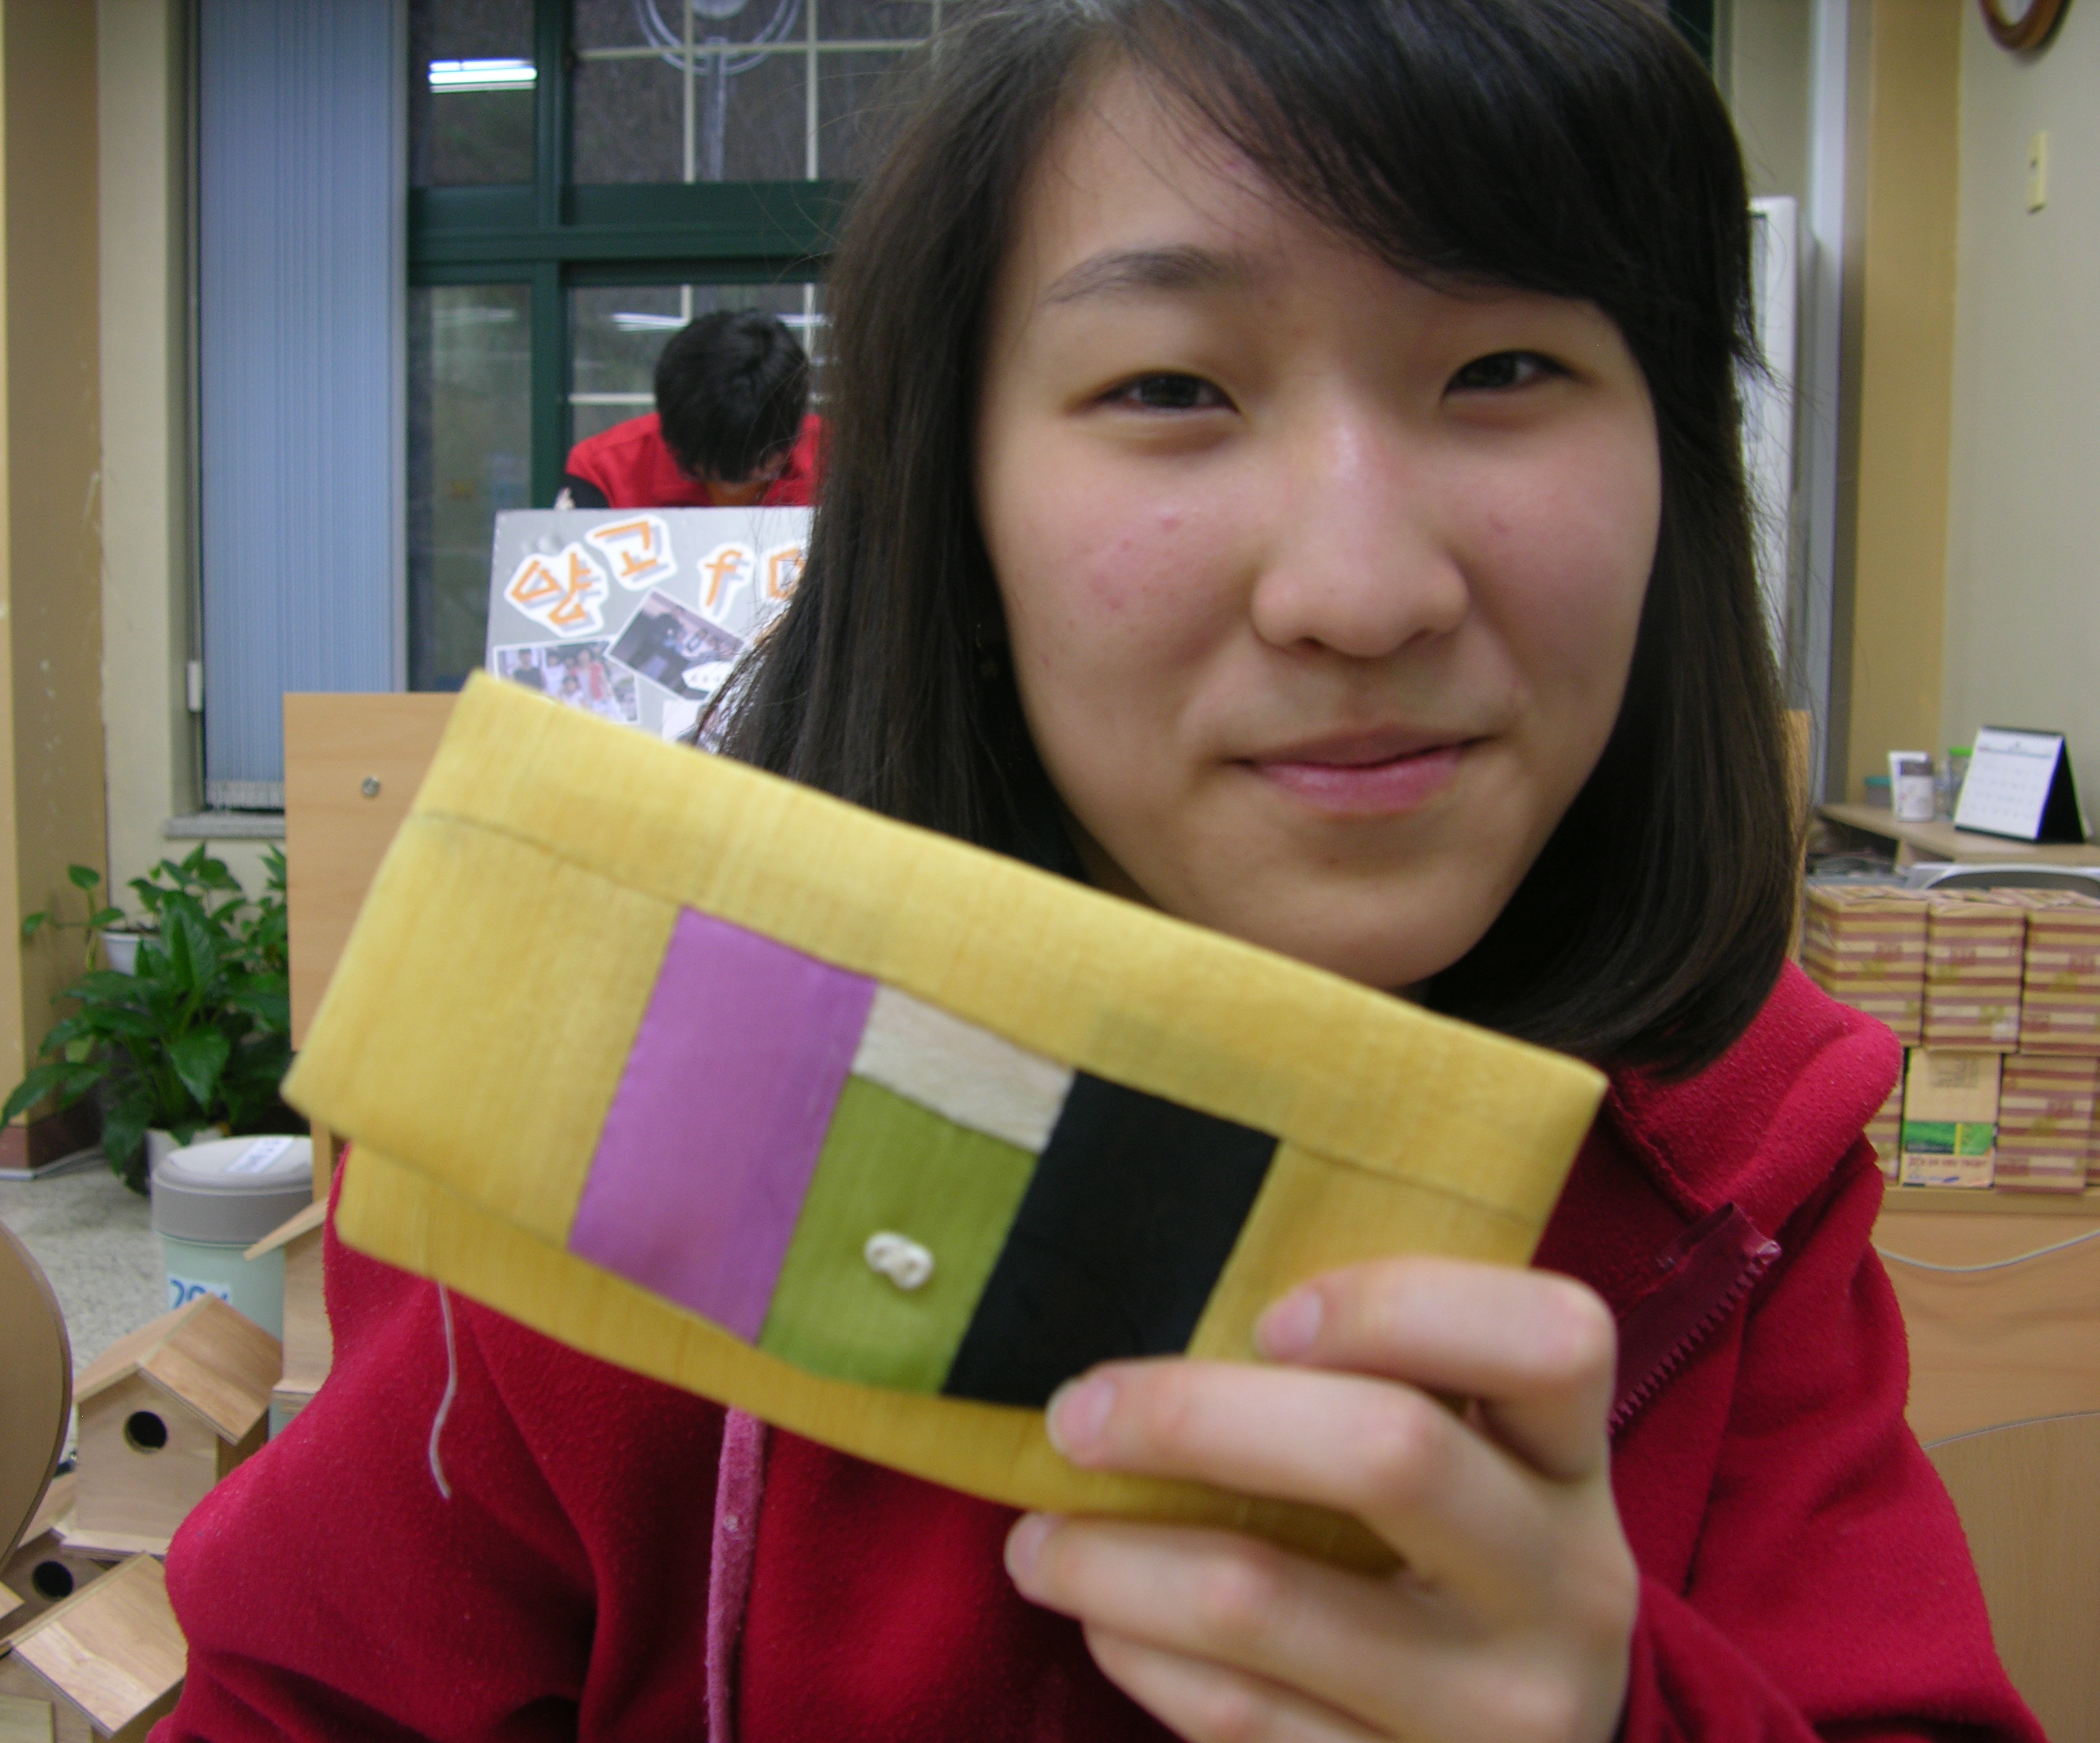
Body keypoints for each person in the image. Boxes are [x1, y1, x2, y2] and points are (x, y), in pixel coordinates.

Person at [155, 4, 2041, 1739]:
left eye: (1506, 365)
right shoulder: (632, 1085)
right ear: (953, 494)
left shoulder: (1736, 1160)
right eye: (1170, 389)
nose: (1360, 590)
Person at [557, 308, 823, 510]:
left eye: (757, 470)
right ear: (671, 431)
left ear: (794, 431)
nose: (730, 489)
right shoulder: (603, 473)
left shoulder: (836, 462)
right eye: (705, 470)